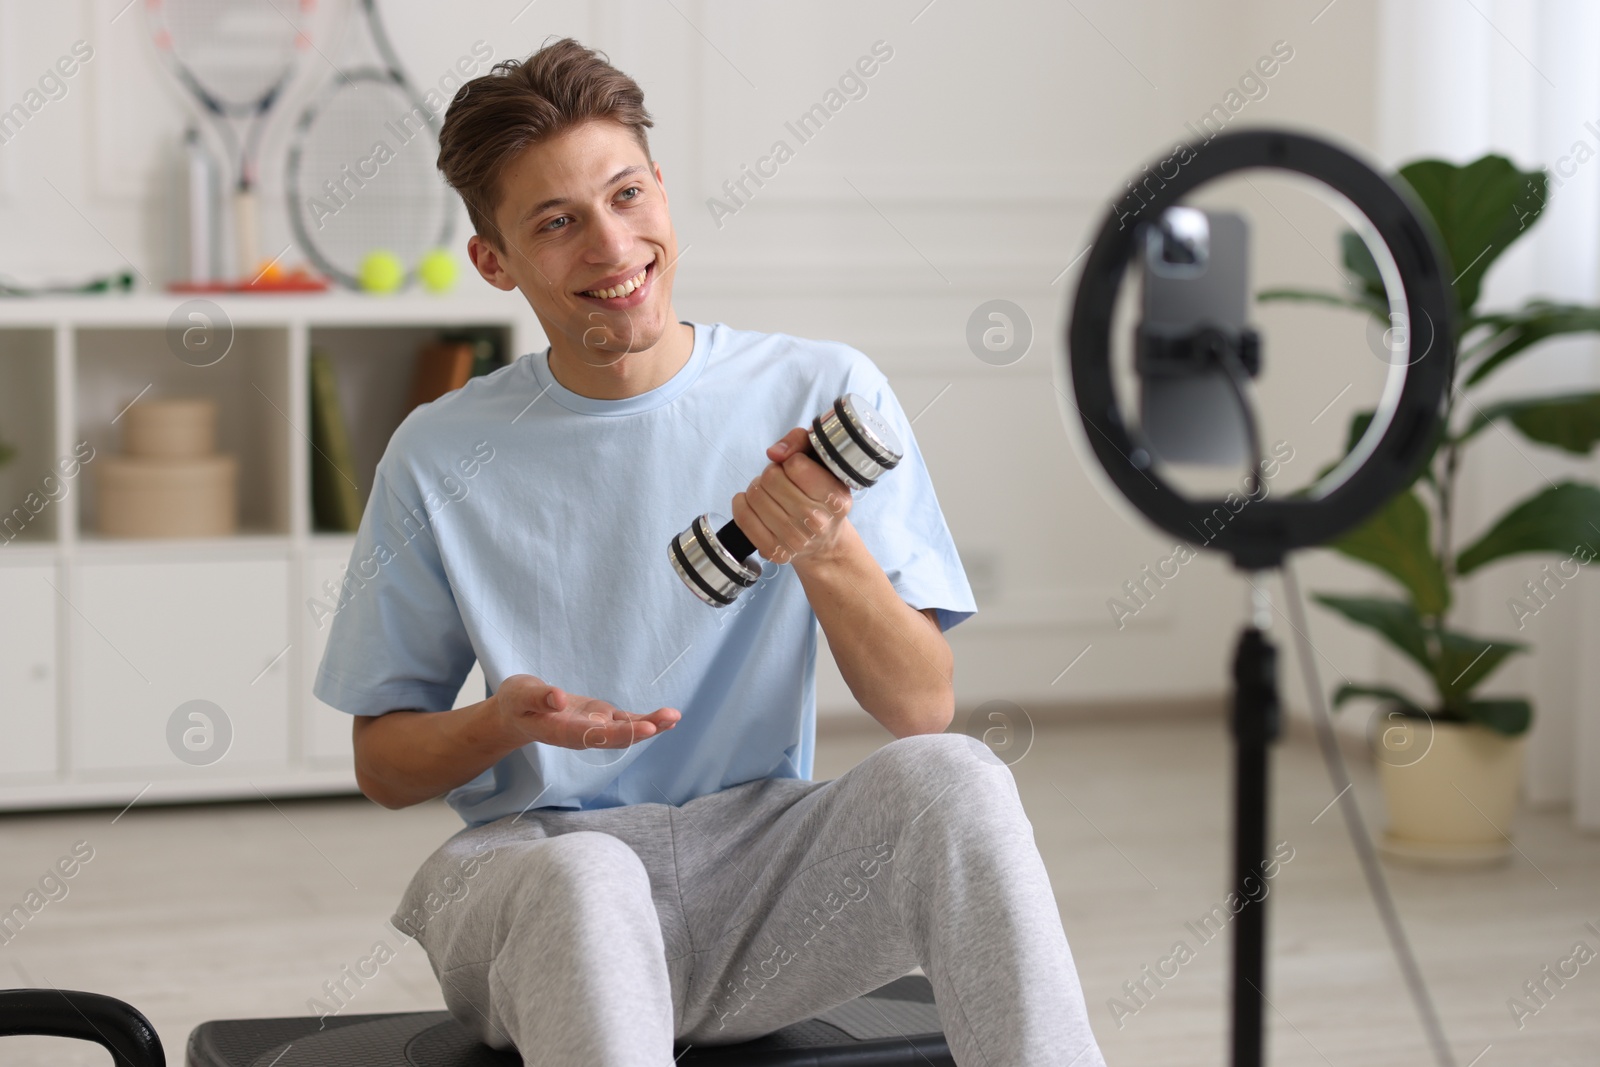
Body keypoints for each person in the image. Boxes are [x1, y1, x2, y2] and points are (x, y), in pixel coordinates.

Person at [313, 36, 1105, 1067]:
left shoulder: (820, 393)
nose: (610, 245)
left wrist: (826, 548)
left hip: (759, 875)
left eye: (627, 194)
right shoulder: (441, 451)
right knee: (588, 876)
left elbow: (920, 708)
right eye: (557, 222)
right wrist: (496, 723)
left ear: (663, 193)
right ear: (494, 261)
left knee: (956, 777)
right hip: (535, 870)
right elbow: (383, 763)